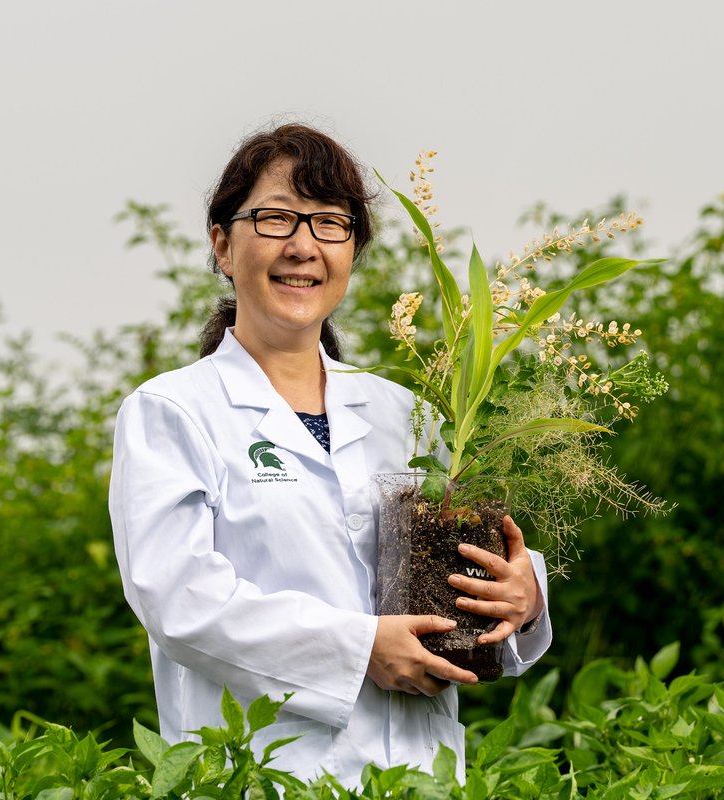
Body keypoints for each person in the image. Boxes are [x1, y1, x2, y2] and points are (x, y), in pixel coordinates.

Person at [109, 123, 552, 787]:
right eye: (276, 217)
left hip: (420, 776)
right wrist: (357, 650)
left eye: (328, 223)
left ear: (350, 253)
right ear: (223, 245)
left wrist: (523, 599)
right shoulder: (172, 412)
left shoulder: (407, 414)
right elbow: (179, 600)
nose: (302, 245)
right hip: (263, 777)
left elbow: (460, 585)